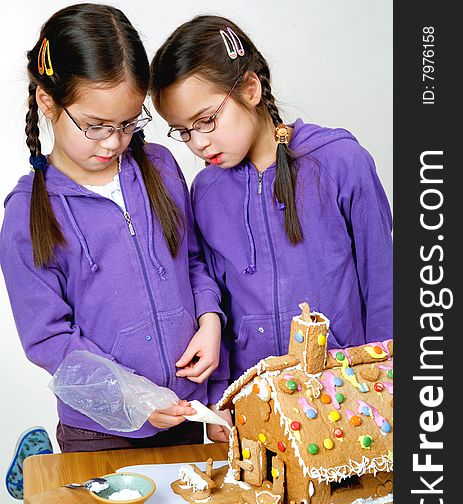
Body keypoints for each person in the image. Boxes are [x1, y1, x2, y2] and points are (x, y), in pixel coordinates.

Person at [0, 4, 232, 453]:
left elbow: (193, 260)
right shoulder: (28, 212)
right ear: (48, 102)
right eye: (95, 126)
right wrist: (133, 398)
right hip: (98, 435)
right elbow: (48, 339)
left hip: (186, 413)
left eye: (127, 124)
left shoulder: (160, 168)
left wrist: (209, 321)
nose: (114, 141)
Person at [150, 15, 393, 405]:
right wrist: (221, 398)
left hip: (349, 398)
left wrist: (385, 388)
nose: (197, 142)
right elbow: (216, 300)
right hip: (259, 405)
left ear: (250, 88)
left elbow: (384, 283)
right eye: (183, 131)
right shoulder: (206, 191)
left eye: (207, 120)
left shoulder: (339, 162)